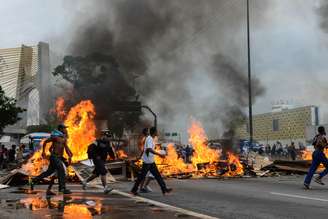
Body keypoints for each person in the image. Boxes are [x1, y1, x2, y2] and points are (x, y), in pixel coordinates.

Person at [31, 124, 73, 194]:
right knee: (61, 170)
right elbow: (45, 142)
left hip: (59, 157)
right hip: (54, 157)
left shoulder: (64, 138)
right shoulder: (55, 137)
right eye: (64, 128)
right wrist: (43, 152)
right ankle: (62, 189)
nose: (66, 130)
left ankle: (34, 180)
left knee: (48, 172)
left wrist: (70, 155)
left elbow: (66, 147)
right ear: (61, 129)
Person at [131, 127, 172, 195]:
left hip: (150, 161)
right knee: (142, 176)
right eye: (156, 131)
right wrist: (159, 154)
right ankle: (134, 190)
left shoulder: (150, 138)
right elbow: (149, 149)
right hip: (147, 162)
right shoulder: (149, 139)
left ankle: (164, 189)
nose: (157, 133)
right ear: (154, 132)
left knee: (157, 175)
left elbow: (145, 149)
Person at [82, 130, 114, 194]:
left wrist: (113, 157)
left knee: (96, 174)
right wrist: (95, 156)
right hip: (97, 159)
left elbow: (110, 151)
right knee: (103, 171)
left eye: (110, 136)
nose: (109, 138)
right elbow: (90, 148)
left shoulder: (109, 143)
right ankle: (105, 188)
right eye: (107, 136)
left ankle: (85, 181)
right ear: (104, 136)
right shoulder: (97, 142)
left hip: (102, 160)